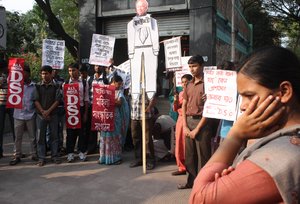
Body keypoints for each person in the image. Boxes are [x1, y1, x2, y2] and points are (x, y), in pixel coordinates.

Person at [189, 46, 300, 203]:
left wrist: (235, 136)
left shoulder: (282, 155)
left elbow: (199, 199)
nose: (242, 106)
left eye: (249, 95)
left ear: (284, 92)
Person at [178, 55, 214, 189]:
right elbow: (184, 104)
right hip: (189, 121)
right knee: (190, 156)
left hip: (203, 124)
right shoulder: (189, 84)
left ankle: (203, 184)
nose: (192, 69)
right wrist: (185, 126)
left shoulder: (209, 84)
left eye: (195, 66)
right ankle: (190, 182)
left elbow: (209, 108)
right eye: (190, 67)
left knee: (204, 156)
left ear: (201, 66)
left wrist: (197, 129)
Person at [127, 0, 159, 101]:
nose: (141, 8)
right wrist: (130, 51)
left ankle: (150, 91)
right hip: (136, 49)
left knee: (150, 69)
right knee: (135, 69)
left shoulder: (153, 22)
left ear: (147, 8)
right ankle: (135, 92)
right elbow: (131, 38)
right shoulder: (131, 24)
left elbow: (155, 35)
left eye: (143, 7)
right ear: (136, 9)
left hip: (149, 47)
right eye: (139, 7)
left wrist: (156, 48)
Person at [33, 65, 62, 166]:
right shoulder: (37, 86)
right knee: (40, 138)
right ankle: (41, 158)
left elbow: (57, 101)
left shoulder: (56, 86)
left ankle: (55, 156)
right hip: (40, 116)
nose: (44, 75)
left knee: (54, 136)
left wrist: (48, 112)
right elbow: (36, 100)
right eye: (42, 73)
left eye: (46, 73)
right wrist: (43, 112)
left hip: (53, 115)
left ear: (51, 74)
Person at [9, 65, 37, 165]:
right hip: (18, 114)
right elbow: (9, 79)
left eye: (24, 72)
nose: (22, 74)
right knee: (18, 137)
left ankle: (34, 154)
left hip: (30, 114)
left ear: (28, 73)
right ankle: (17, 155)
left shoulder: (34, 86)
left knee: (32, 136)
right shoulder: (15, 85)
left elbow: (36, 100)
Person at [63, 63, 89, 162]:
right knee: (70, 133)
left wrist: (85, 113)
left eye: (73, 70)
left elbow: (86, 99)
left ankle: (81, 152)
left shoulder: (84, 83)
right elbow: (64, 99)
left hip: (81, 109)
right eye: (69, 71)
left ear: (78, 71)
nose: (71, 73)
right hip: (70, 110)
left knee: (81, 132)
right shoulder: (65, 83)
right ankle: (70, 153)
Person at [98, 75, 127, 165]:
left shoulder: (119, 92)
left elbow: (119, 103)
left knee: (114, 137)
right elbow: (99, 100)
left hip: (115, 118)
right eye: (118, 84)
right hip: (106, 117)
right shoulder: (104, 90)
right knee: (105, 136)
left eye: (121, 84)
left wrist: (108, 100)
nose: (120, 86)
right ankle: (103, 157)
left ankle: (115, 158)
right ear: (113, 82)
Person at [172, 74, 192, 176]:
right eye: (182, 82)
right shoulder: (180, 94)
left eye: (186, 82)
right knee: (179, 143)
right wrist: (175, 101)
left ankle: (190, 167)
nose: (184, 84)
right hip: (180, 119)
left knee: (188, 144)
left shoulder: (193, 92)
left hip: (190, 119)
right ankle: (181, 167)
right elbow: (175, 109)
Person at [129, 93, 156, 170]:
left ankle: (150, 160)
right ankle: (139, 158)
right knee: (135, 137)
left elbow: (153, 98)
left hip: (146, 115)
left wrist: (149, 107)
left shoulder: (148, 82)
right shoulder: (133, 84)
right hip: (134, 115)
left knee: (147, 139)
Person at [86, 64, 109, 154]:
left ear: (102, 67)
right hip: (92, 107)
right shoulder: (90, 79)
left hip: (103, 108)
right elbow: (87, 94)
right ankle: (92, 148)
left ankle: (103, 147)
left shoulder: (106, 79)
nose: (97, 67)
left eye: (99, 66)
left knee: (103, 128)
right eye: (96, 66)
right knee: (92, 129)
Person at [0, 59, 15, 158]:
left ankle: (17, 151)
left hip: (12, 103)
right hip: (1, 104)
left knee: (15, 128)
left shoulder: (14, 75)